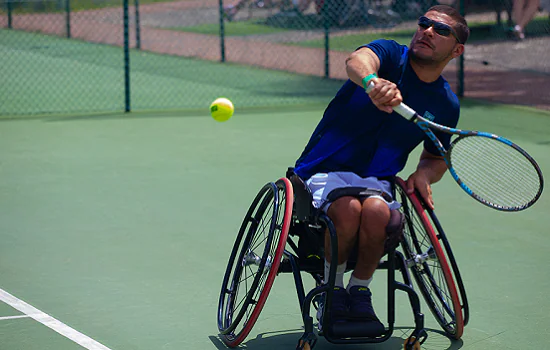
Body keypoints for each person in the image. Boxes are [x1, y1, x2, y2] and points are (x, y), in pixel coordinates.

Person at [293, 4, 469, 327]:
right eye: (424, 24)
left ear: (456, 50)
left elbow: (434, 157)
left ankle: (359, 293)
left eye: (441, 30)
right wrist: (373, 83)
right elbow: (357, 62)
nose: (427, 31)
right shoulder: (390, 55)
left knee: (376, 213)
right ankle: (331, 293)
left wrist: (424, 175)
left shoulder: (445, 104)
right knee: (348, 210)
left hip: (377, 182)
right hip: (322, 171)